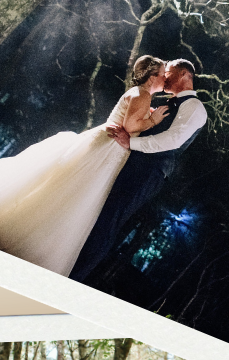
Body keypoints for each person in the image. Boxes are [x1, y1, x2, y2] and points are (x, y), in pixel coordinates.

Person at [0, 56, 174, 273]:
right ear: (152, 76)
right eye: (163, 74)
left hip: (108, 148)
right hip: (108, 150)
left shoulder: (139, 94)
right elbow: (130, 128)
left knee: (65, 190)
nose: (165, 79)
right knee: (71, 193)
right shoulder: (142, 94)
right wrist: (152, 120)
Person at [69, 59, 208, 281]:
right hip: (132, 162)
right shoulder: (168, 102)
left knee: (109, 219)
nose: (165, 77)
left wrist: (131, 143)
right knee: (99, 210)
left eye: (169, 72)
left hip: (148, 172)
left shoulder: (195, 108)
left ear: (183, 75)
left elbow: (172, 140)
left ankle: (73, 275)